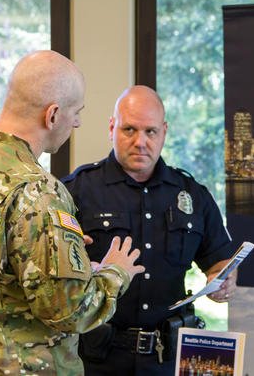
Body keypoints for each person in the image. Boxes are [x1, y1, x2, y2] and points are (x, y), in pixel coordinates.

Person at [0, 50, 145, 375]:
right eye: (76, 112)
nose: (78, 121)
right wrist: (114, 272)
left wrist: (56, 257)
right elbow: (73, 311)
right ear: (52, 115)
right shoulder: (36, 190)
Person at [62, 85, 238, 375]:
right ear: (112, 128)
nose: (140, 142)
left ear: (164, 132)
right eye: (129, 129)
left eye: (150, 131)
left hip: (167, 359)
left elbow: (220, 261)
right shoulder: (76, 190)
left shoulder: (192, 195)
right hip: (96, 359)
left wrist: (223, 280)